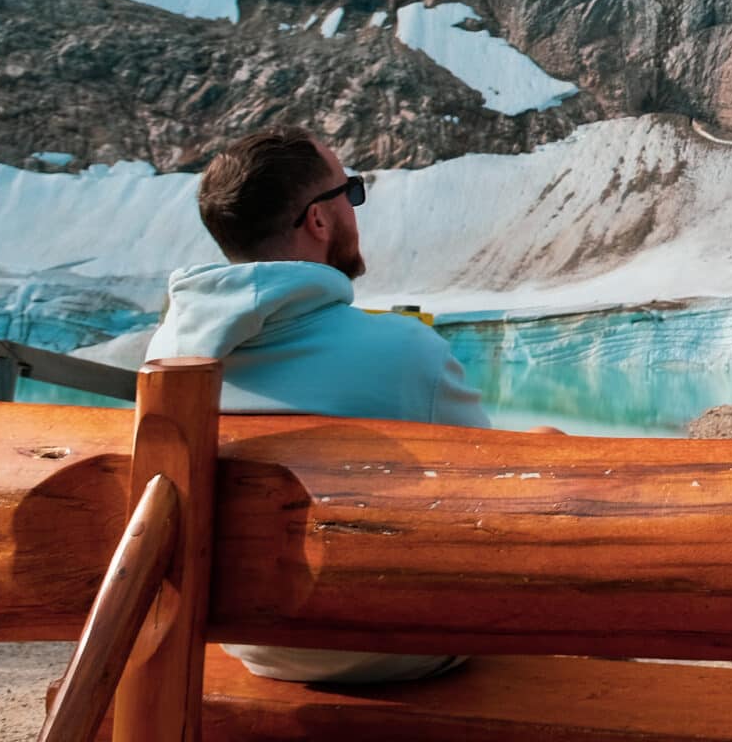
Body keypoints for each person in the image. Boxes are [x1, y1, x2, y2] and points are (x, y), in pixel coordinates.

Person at [145, 124, 486, 686]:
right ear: (318, 219)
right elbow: (487, 504)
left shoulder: (168, 359)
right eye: (349, 192)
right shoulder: (406, 353)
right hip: (401, 650)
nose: (356, 210)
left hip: (248, 644)